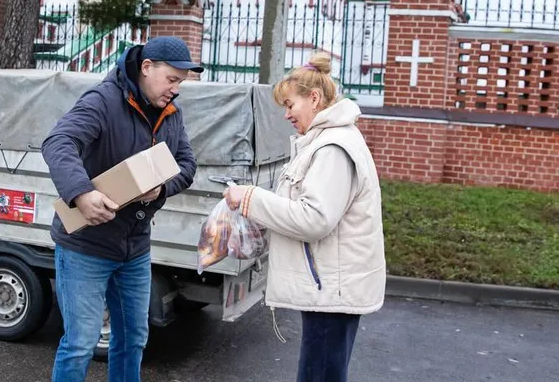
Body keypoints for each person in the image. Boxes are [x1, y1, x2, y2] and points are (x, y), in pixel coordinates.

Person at [42, 36, 200, 382]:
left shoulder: (171, 112)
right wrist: (81, 193)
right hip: (86, 245)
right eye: (172, 79)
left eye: (180, 82)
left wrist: (161, 187)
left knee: (132, 340)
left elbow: (187, 164)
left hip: (135, 248)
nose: (175, 89)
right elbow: (58, 142)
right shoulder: (103, 101)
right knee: (81, 343)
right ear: (147, 67)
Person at [223, 52, 386, 382]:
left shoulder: (332, 149)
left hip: (330, 293)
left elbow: (314, 219)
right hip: (327, 287)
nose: (286, 115)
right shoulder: (325, 142)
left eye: (289, 105)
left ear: (314, 98)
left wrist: (250, 199)